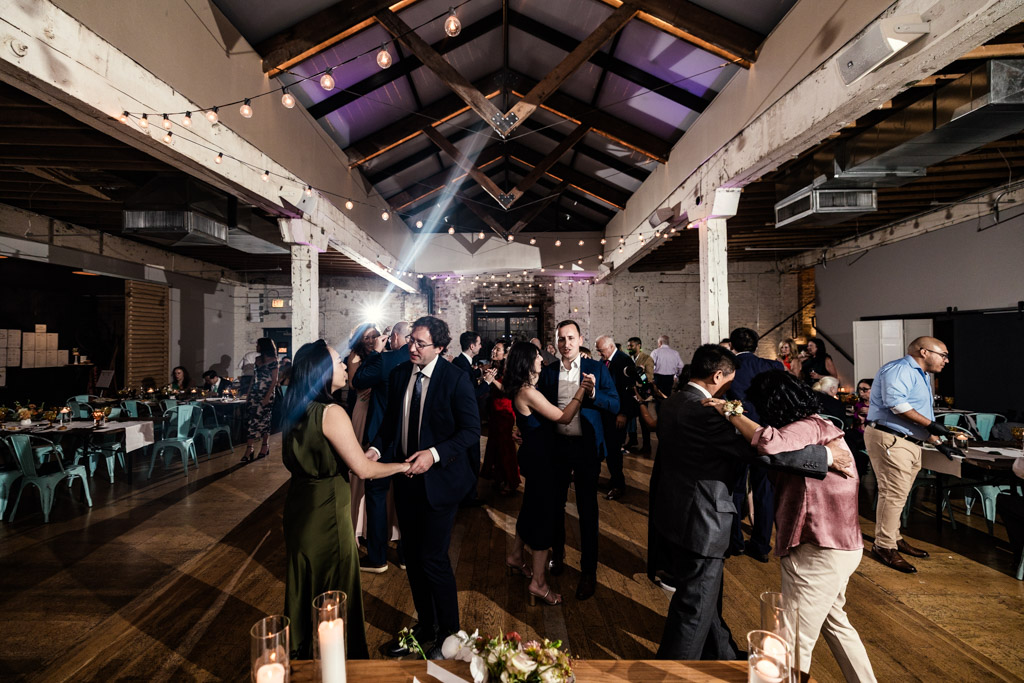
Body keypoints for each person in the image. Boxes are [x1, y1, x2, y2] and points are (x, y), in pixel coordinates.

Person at [654, 344, 839, 661]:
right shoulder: (703, 412)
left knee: (704, 598)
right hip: (702, 520)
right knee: (694, 607)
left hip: (678, 511)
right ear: (716, 375)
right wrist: (827, 455)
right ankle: (672, 673)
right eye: (729, 383)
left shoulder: (676, 401)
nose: (731, 390)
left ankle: (723, 657)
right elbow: (760, 453)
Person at [706, 370, 876, 681]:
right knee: (836, 625)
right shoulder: (820, 426)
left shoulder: (804, 428)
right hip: (843, 546)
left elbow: (769, 444)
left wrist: (730, 411)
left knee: (793, 641)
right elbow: (779, 456)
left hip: (818, 548)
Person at [280, 339, 412, 661]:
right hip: (327, 514)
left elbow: (326, 454)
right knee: (334, 594)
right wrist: (404, 466)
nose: (344, 366)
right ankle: (338, 663)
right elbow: (364, 470)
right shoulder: (332, 411)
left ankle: (300, 658)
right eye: (339, 361)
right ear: (323, 372)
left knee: (303, 588)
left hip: (299, 510)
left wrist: (355, 456)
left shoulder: (293, 407)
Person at [370, 316, 480, 658]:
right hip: (405, 481)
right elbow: (390, 424)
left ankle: (450, 634)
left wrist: (433, 455)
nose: (412, 348)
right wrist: (375, 449)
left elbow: (470, 431)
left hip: (439, 483)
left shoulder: (456, 379)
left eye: (420, 343)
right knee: (413, 558)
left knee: (433, 558)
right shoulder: (400, 373)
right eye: (411, 342)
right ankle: (425, 626)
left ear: (440, 348)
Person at [504, 341, 595, 605]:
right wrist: (581, 390)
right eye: (536, 357)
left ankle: (516, 555)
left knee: (531, 508)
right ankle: (539, 582)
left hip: (536, 456)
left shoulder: (525, 389)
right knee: (544, 517)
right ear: (526, 362)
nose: (541, 361)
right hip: (542, 461)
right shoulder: (528, 392)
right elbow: (564, 417)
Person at [864, 336, 962, 573]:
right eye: (943, 355)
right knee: (893, 493)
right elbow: (896, 405)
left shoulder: (920, 374)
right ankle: (884, 546)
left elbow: (910, 414)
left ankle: (893, 537)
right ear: (924, 352)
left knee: (899, 494)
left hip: (907, 441)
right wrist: (931, 424)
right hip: (891, 440)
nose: (946, 361)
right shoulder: (900, 369)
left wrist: (936, 441)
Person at [538, 320, 618, 601]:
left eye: (571, 338)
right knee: (555, 506)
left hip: (586, 448)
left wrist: (594, 393)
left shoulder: (596, 369)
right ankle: (558, 556)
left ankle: (588, 571)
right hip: (557, 448)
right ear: (556, 342)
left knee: (587, 510)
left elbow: (615, 403)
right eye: (561, 339)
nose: (566, 344)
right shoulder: (547, 373)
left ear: (580, 339)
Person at [351, 322, 411, 573]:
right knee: (406, 499)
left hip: (382, 439)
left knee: (376, 496)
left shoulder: (386, 360)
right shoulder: (420, 361)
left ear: (395, 336)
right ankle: (407, 555)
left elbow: (358, 381)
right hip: (409, 439)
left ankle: (377, 558)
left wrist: (376, 353)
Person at [725, 327, 785, 562]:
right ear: (756, 346)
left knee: (737, 488)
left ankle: (736, 542)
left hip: (739, 435)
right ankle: (761, 546)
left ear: (733, 346)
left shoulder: (729, 369)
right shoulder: (773, 367)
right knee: (764, 491)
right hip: (768, 435)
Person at [344, 323, 386, 569]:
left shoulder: (381, 354)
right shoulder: (356, 356)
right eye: (367, 337)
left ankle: (374, 528)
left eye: (374, 336)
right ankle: (357, 527)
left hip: (379, 409)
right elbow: (354, 384)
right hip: (363, 407)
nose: (371, 340)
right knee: (359, 466)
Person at [452, 331, 496, 507]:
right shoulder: (462, 365)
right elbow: (471, 396)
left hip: (462, 420)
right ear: (472, 346)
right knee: (471, 458)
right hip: (466, 420)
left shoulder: (461, 362)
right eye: (478, 344)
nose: (480, 346)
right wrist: (487, 382)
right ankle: (469, 496)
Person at [596, 335, 635, 501]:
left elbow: (628, 391)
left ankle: (619, 485)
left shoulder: (624, 361)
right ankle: (613, 480)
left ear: (611, 347)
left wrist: (623, 413)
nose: (599, 353)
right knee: (607, 449)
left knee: (614, 452)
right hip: (606, 413)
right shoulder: (604, 362)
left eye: (601, 350)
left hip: (618, 414)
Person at [480, 341, 520, 496]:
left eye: (497, 349)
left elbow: (508, 390)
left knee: (506, 447)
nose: (493, 350)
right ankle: (498, 477)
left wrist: (492, 380)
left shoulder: (508, 369)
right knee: (495, 446)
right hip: (494, 411)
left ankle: (512, 481)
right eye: (493, 348)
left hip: (505, 411)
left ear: (504, 353)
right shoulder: (492, 367)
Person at [241, 337, 278, 462]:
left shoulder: (274, 360)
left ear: (264, 346)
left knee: (265, 419)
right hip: (255, 392)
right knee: (251, 419)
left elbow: (274, 380)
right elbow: (254, 378)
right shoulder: (257, 360)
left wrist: (268, 395)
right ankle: (249, 448)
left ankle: (264, 446)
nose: (256, 347)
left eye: (258, 345)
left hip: (267, 392)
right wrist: (249, 393)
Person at [626, 337, 656, 455]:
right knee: (630, 418)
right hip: (630, 393)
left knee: (644, 421)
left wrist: (639, 373)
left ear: (639, 345)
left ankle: (647, 445)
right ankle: (632, 440)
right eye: (628, 346)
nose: (629, 348)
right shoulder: (628, 359)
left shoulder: (647, 359)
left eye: (631, 346)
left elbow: (649, 378)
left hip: (642, 394)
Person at [651, 335, 684, 399]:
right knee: (667, 397)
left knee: (658, 397)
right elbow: (681, 366)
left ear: (660, 342)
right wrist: (677, 375)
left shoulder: (655, 352)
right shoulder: (675, 353)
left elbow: (650, 365)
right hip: (670, 378)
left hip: (658, 378)